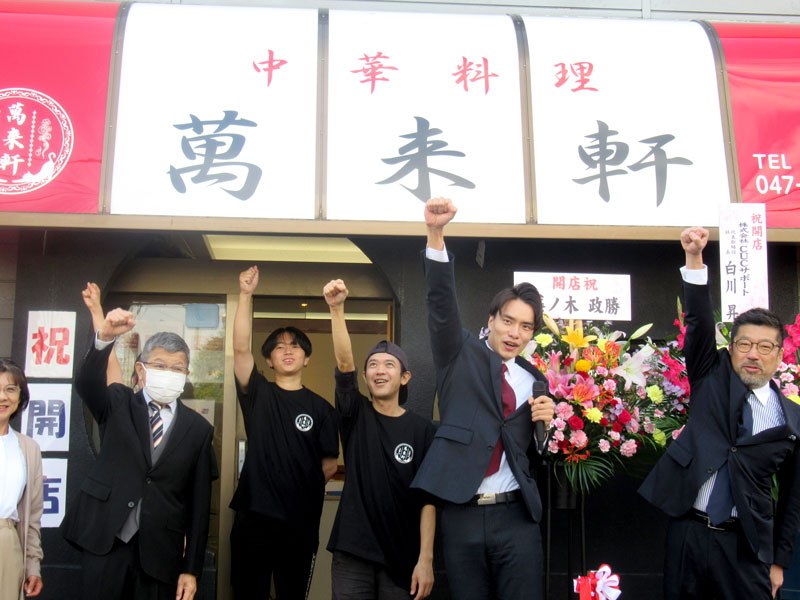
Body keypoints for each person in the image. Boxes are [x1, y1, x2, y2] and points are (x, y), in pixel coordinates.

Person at [639, 226, 800, 600]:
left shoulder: (790, 420)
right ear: (730, 350)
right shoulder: (710, 379)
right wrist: (694, 258)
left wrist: (778, 561)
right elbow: (697, 321)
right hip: (689, 533)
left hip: (746, 546)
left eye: (764, 346)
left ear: (779, 355)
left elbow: (792, 498)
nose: (753, 354)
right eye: (744, 344)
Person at [411, 197, 555, 600]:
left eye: (525, 327)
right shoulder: (459, 354)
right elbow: (441, 305)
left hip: (517, 516)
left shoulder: (535, 379)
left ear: (532, 334)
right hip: (462, 513)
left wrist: (549, 425)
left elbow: (537, 450)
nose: (514, 333)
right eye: (507, 321)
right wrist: (435, 234)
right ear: (490, 320)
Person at [61, 309, 218, 600]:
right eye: (160, 365)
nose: (168, 373)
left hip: (160, 552)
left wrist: (191, 568)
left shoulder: (198, 429)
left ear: (186, 374)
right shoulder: (118, 402)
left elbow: (199, 504)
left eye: (177, 368)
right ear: (141, 369)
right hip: (106, 541)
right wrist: (105, 337)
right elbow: (87, 384)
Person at [230, 266, 339, 599]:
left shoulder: (322, 409)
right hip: (253, 519)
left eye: (295, 346)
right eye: (278, 347)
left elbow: (330, 465)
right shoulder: (257, 393)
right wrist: (246, 295)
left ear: (306, 358)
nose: (288, 350)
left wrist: (296, 489)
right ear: (269, 358)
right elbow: (240, 349)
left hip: (299, 525)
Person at [323, 279, 435, 600]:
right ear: (366, 376)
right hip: (352, 551)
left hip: (403, 556)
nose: (379, 370)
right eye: (372, 365)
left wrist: (425, 560)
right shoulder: (355, 414)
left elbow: (428, 500)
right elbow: (345, 366)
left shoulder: (422, 430)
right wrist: (336, 309)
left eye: (389, 365)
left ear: (404, 377)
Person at [0, 360, 43, 600]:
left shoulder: (28, 448)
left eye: (10, 389)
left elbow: (33, 516)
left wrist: (33, 566)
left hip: (8, 542)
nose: (2, 397)